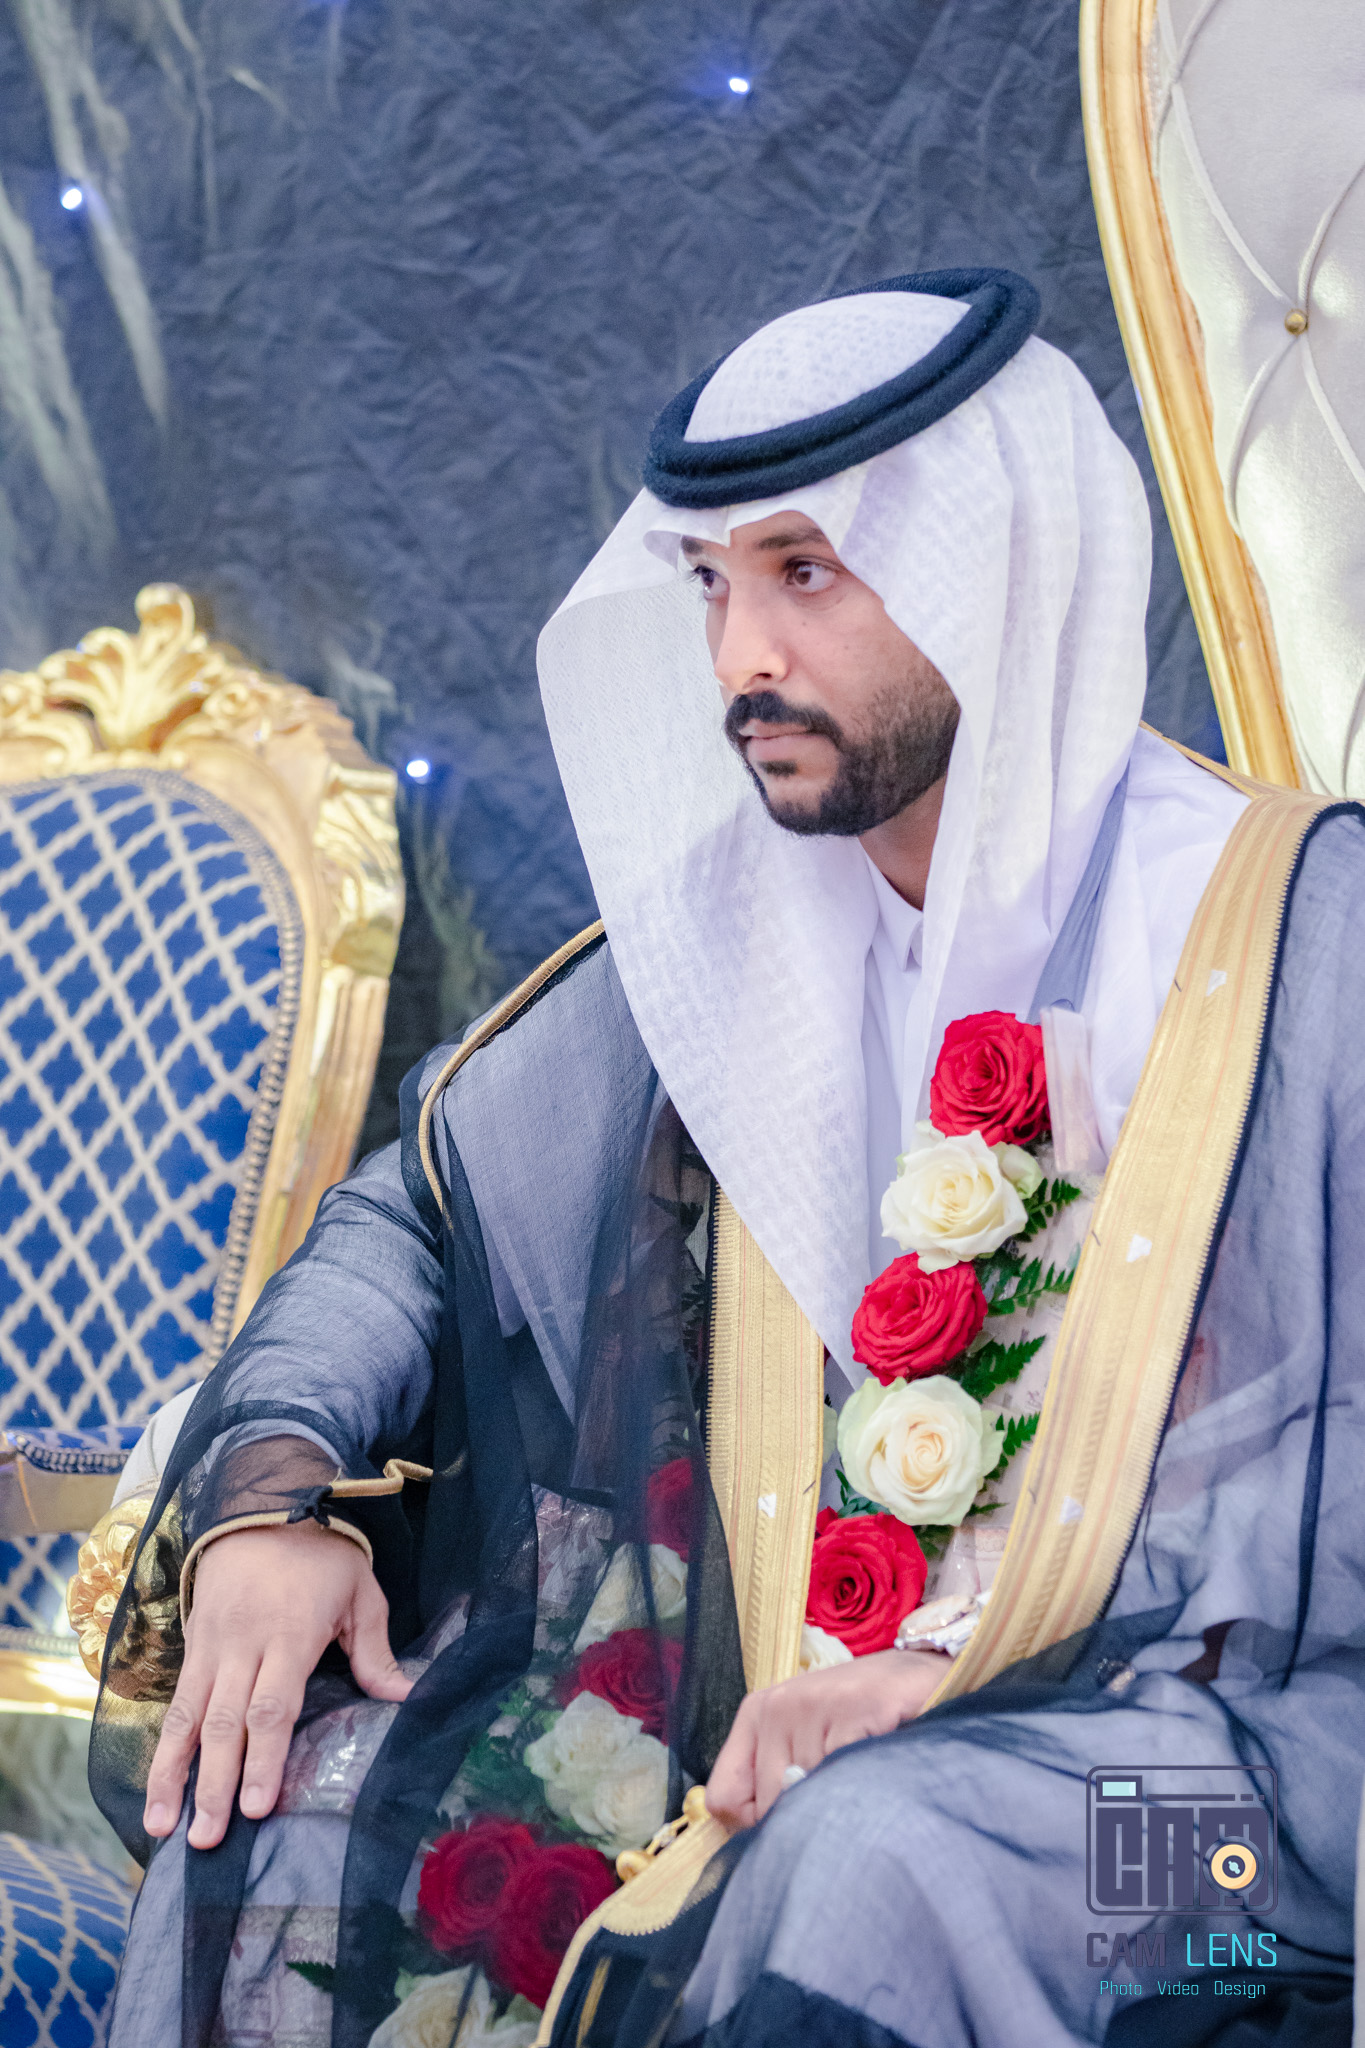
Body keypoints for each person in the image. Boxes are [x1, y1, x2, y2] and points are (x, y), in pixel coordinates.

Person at [92, 273, 1361, 2048]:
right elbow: (420, 1218)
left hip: (1251, 1834)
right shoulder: (735, 949)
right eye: (707, 584)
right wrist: (271, 1500)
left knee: (879, 1859)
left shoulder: (1297, 936)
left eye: (803, 573)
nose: (738, 658)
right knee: (290, 1808)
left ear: (988, 571)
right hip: (790, 1731)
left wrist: (955, 1679)